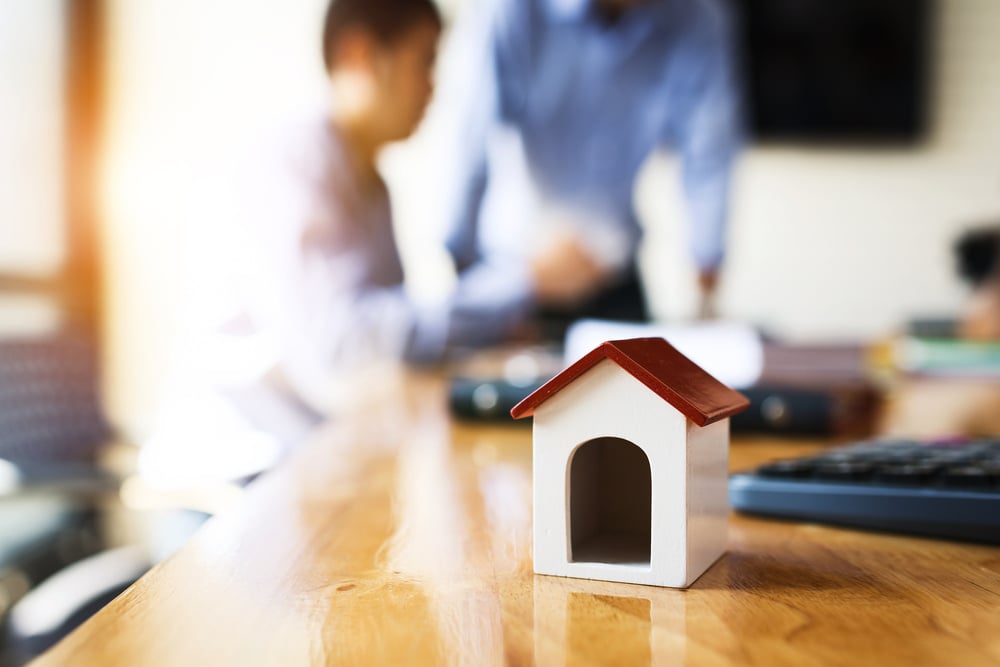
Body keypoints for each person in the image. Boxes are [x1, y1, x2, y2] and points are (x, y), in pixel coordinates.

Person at [435, 0, 744, 339]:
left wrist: (706, 293)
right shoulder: (510, 9)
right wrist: (469, 291)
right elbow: (472, 139)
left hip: (615, 278)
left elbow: (709, 151)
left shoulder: (696, 16)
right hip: (519, 277)